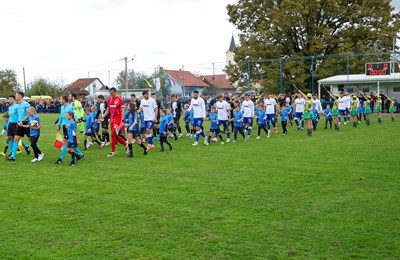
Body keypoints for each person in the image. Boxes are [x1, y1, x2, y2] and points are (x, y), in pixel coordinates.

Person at [55, 95, 84, 164]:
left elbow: (75, 115)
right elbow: (61, 117)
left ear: (64, 100)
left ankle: (61, 158)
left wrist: (76, 122)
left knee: (65, 142)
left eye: (61, 99)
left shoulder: (70, 107)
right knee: (68, 143)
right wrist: (58, 125)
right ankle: (80, 154)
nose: (60, 100)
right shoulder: (62, 107)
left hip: (69, 127)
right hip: (64, 126)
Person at [101, 87, 127, 157]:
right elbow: (108, 110)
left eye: (112, 93)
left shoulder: (120, 100)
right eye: (110, 93)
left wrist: (122, 119)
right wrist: (102, 117)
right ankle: (126, 144)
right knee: (115, 135)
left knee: (112, 134)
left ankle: (112, 152)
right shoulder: (109, 100)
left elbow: (123, 110)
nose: (111, 94)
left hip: (118, 120)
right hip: (112, 120)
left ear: (115, 92)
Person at [7, 92, 31, 161]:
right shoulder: (13, 106)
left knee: (31, 140)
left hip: (21, 123)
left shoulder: (23, 105)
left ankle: (37, 152)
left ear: (20, 96)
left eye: (11, 99)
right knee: (14, 138)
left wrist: (21, 121)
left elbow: (29, 112)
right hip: (16, 124)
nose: (9, 100)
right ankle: (12, 155)